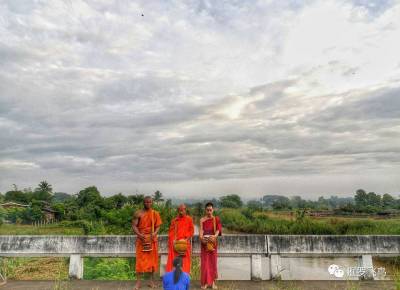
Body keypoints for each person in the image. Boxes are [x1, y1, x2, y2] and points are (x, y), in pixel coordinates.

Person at [132, 196, 162, 289]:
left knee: (152, 262)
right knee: (139, 262)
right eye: (146, 202)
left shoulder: (155, 213)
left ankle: (151, 282)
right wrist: (139, 235)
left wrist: (155, 233)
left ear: (152, 203)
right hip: (141, 240)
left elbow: (158, 226)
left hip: (152, 240)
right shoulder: (138, 213)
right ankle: (138, 283)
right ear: (143, 203)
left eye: (149, 202)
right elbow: (134, 226)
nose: (148, 204)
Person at [166, 204, 194, 274]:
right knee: (173, 261)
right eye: (180, 210)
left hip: (184, 244)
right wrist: (174, 241)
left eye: (183, 210)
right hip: (176, 245)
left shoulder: (189, 219)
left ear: (185, 210)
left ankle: (184, 278)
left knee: (185, 262)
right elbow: (171, 233)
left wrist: (186, 239)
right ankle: (173, 278)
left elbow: (191, 231)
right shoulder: (174, 221)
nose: (181, 212)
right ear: (178, 211)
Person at [199, 202, 222, 289]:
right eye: (207, 210)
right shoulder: (202, 220)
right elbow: (201, 230)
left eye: (210, 210)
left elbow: (218, 230)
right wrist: (201, 238)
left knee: (213, 263)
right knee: (205, 263)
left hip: (213, 243)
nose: (209, 212)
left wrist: (214, 236)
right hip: (204, 244)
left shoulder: (216, 219)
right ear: (205, 210)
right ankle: (205, 282)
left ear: (213, 210)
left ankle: (212, 283)